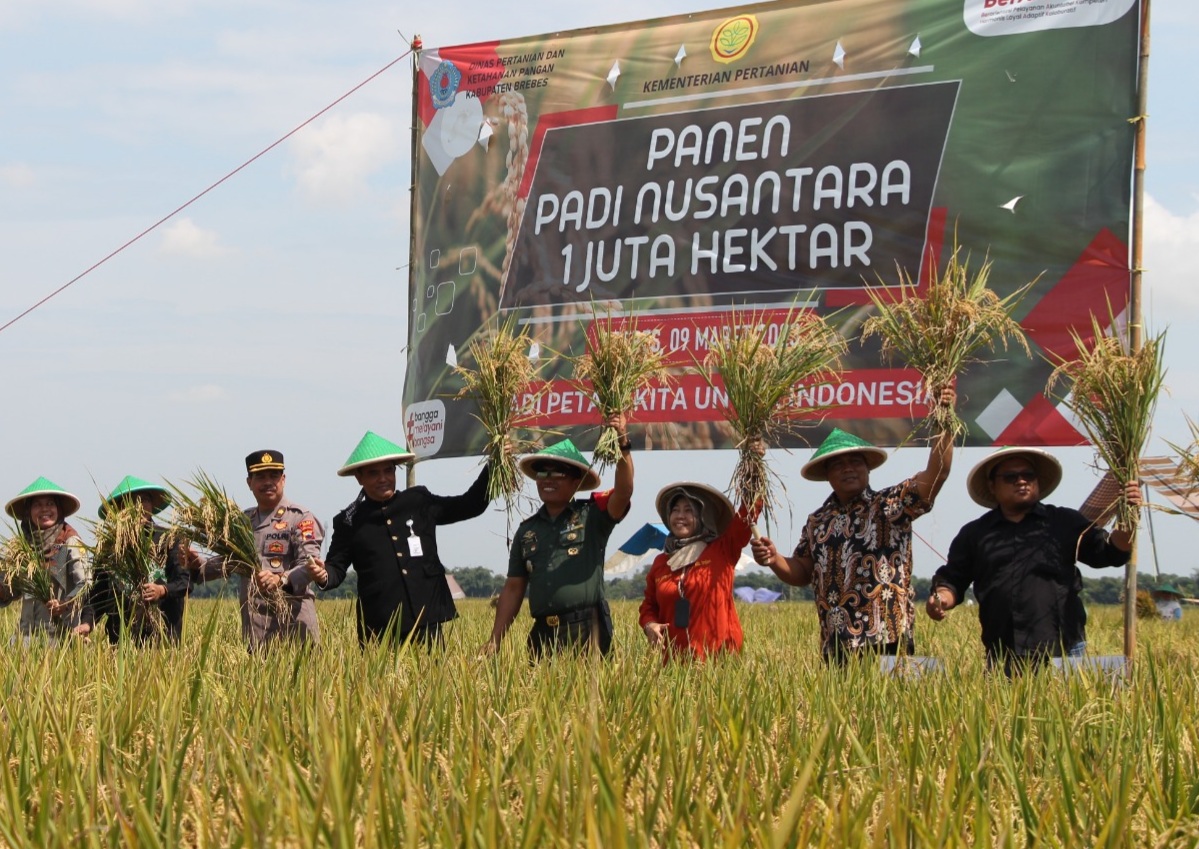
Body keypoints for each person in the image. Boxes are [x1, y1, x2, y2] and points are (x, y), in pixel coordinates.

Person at [751, 388, 955, 663]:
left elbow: (937, 473)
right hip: (836, 644)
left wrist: (944, 421)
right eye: (838, 465)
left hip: (887, 640)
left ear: (868, 468)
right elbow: (802, 571)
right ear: (827, 474)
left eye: (855, 462)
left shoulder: (890, 505)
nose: (847, 468)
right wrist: (774, 559)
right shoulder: (817, 521)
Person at [925, 446, 1142, 673]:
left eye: (1028, 475)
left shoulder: (1064, 522)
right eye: (1011, 477)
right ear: (992, 486)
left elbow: (1111, 552)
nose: (1021, 481)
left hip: (1062, 650)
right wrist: (941, 599)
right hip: (1003, 652)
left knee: (1065, 698)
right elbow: (953, 580)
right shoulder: (975, 534)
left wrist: (1128, 516)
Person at [307, 431, 492, 647]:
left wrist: (493, 466)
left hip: (426, 618)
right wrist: (322, 575)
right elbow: (335, 569)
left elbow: (470, 505)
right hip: (380, 625)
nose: (383, 478)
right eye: (374, 473)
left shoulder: (418, 501)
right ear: (359, 478)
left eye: (388, 470)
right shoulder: (350, 520)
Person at [486, 415, 633, 658]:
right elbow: (513, 588)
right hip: (543, 634)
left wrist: (622, 443)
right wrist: (495, 640)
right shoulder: (527, 531)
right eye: (542, 474)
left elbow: (624, 492)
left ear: (576, 482)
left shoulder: (593, 516)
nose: (548, 481)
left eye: (558, 474)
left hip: (587, 631)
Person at [192, 451, 323, 650]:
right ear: (249, 482)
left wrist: (281, 579)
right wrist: (197, 566)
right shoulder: (242, 522)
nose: (268, 482)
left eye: (274, 476)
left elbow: (309, 564)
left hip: (294, 625)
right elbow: (228, 562)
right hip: (256, 629)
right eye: (260, 477)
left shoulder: (300, 518)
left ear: (283, 479)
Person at [638, 479, 760, 661]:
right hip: (674, 665)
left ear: (704, 516)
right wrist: (650, 624)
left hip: (719, 662)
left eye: (689, 510)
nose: (680, 516)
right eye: (675, 510)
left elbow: (746, 515)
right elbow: (649, 605)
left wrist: (753, 479)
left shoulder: (723, 550)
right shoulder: (661, 562)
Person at [89, 476, 191, 644]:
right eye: (130, 501)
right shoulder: (109, 546)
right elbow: (98, 593)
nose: (139, 506)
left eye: (145, 500)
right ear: (119, 509)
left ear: (152, 506)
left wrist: (162, 590)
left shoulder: (170, 539)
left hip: (163, 637)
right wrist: (87, 623)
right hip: (121, 638)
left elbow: (185, 583)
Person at [0, 477, 92, 643]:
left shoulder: (68, 543)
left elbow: (84, 584)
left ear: (59, 509)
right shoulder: (22, 549)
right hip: (26, 637)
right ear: (28, 512)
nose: (44, 509)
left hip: (61, 637)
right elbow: (12, 590)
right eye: (37, 505)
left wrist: (64, 604)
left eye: (50, 504)